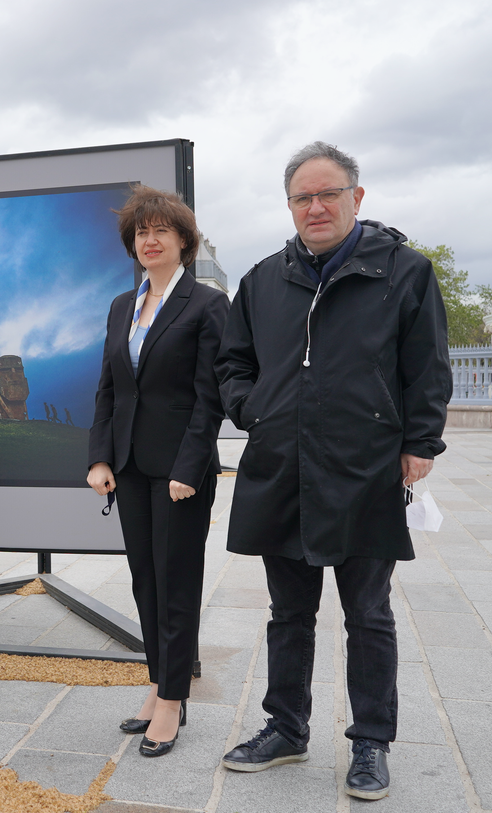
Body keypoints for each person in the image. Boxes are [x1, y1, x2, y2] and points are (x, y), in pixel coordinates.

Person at [215, 143, 450, 800]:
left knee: (367, 612)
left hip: (365, 466)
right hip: (280, 467)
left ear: (357, 197)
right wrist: (251, 405)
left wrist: (421, 439)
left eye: (328, 194)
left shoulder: (404, 272)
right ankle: (286, 726)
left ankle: (371, 740)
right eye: (301, 197)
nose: (315, 207)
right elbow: (232, 363)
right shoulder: (263, 280)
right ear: (289, 205)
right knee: (288, 612)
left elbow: (427, 366)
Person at [87, 186, 228, 758]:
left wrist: (189, 466)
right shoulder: (123, 305)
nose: (150, 240)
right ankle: (157, 684)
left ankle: (172, 700)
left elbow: (209, 396)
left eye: (161, 231)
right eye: (141, 232)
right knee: (145, 580)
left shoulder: (207, 305)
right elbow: (108, 389)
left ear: (183, 241)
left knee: (176, 585)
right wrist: (99, 456)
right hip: (128, 467)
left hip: (179, 473)